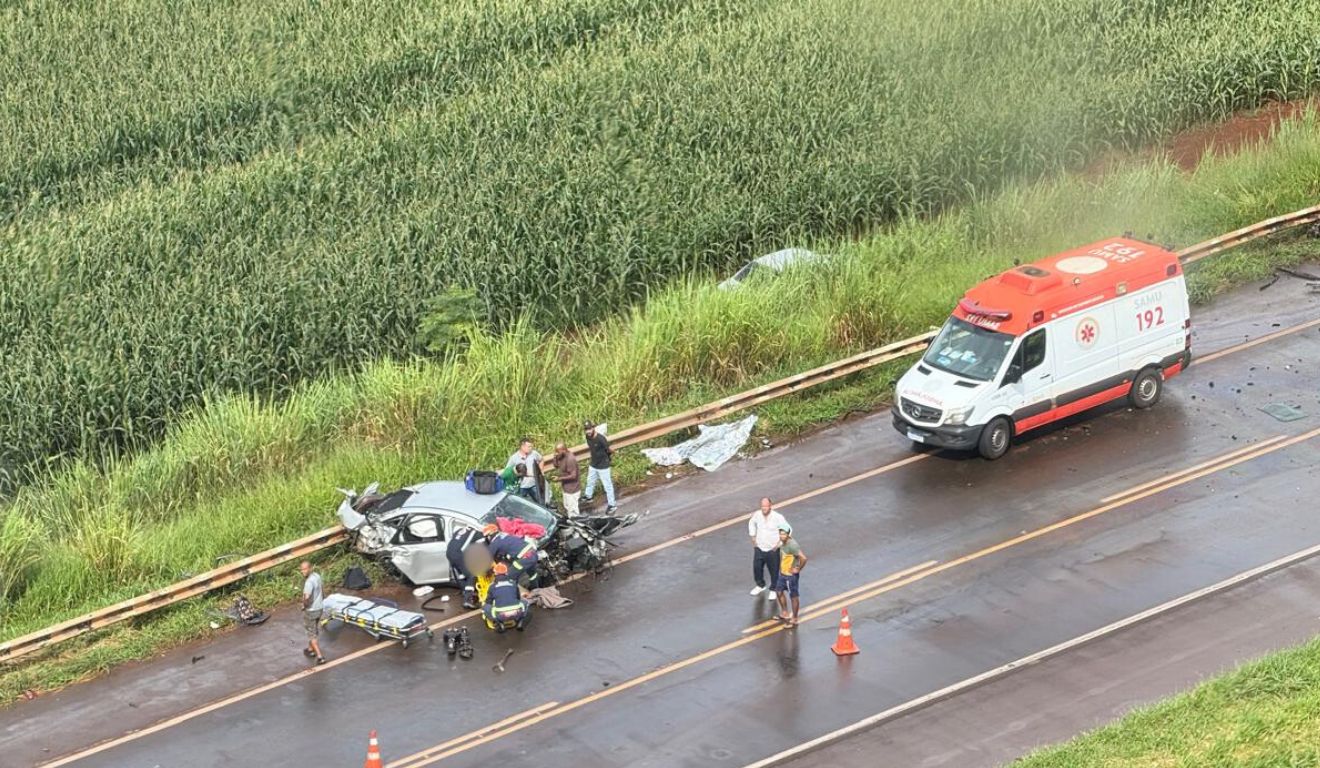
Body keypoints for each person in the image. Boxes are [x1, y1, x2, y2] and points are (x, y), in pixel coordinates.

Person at [748, 497, 787, 600]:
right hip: (759, 547)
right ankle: (760, 585)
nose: (764, 508)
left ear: (770, 506)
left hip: (772, 549)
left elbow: (787, 530)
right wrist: (753, 537)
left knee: (774, 570)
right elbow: (751, 523)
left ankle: (773, 589)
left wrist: (779, 544)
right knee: (757, 568)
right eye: (762, 506)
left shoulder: (778, 517)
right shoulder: (757, 515)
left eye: (766, 506)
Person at [483, 563, 531, 632]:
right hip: (517, 613)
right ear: (506, 573)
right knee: (525, 602)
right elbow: (518, 598)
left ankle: (500, 623)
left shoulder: (492, 586)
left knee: (485, 607)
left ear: (495, 573)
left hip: (501, 615)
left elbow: (489, 601)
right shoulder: (513, 583)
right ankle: (520, 622)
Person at [774, 524, 807, 626]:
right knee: (779, 592)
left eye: (784, 534)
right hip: (782, 574)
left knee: (793, 596)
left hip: (790, 576)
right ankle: (785, 613)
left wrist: (798, 568)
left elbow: (803, 558)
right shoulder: (783, 543)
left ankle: (795, 618)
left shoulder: (792, 545)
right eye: (780, 534)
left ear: (788, 534)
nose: (781, 536)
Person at [581, 420, 617, 513]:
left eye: (589, 429)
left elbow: (608, 450)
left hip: (603, 466)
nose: (588, 431)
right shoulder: (587, 437)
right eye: (586, 429)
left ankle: (612, 505)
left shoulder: (601, 439)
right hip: (593, 464)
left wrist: (608, 459)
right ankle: (588, 496)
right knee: (590, 481)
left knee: (607, 486)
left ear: (593, 428)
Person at [446, 525, 485, 609]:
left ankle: (465, 591)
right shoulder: (478, 534)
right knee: (472, 573)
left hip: (449, 553)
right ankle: (468, 600)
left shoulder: (461, 529)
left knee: (462, 574)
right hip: (458, 554)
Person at [299, 561, 326, 665]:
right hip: (319, 608)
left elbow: (307, 598)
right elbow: (322, 590)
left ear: (310, 568)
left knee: (311, 633)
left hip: (311, 610)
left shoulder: (309, 582)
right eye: (302, 569)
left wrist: (304, 606)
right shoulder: (317, 576)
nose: (303, 571)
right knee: (314, 628)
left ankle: (320, 656)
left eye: (305, 569)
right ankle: (310, 649)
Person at [505, 438, 544, 506]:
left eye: (531, 446)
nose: (530, 448)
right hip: (521, 486)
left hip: (534, 484)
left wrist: (540, 471)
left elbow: (541, 460)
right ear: (522, 446)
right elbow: (509, 470)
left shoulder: (534, 454)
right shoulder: (514, 458)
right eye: (529, 446)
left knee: (541, 503)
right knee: (519, 505)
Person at [546, 442, 581, 517]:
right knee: (567, 506)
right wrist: (555, 457)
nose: (556, 453)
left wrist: (559, 479)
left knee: (573, 511)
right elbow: (555, 465)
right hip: (566, 487)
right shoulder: (561, 456)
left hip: (572, 489)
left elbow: (573, 476)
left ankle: (577, 523)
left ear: (563, 450)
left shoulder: (570, 459)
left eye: (557, 452)